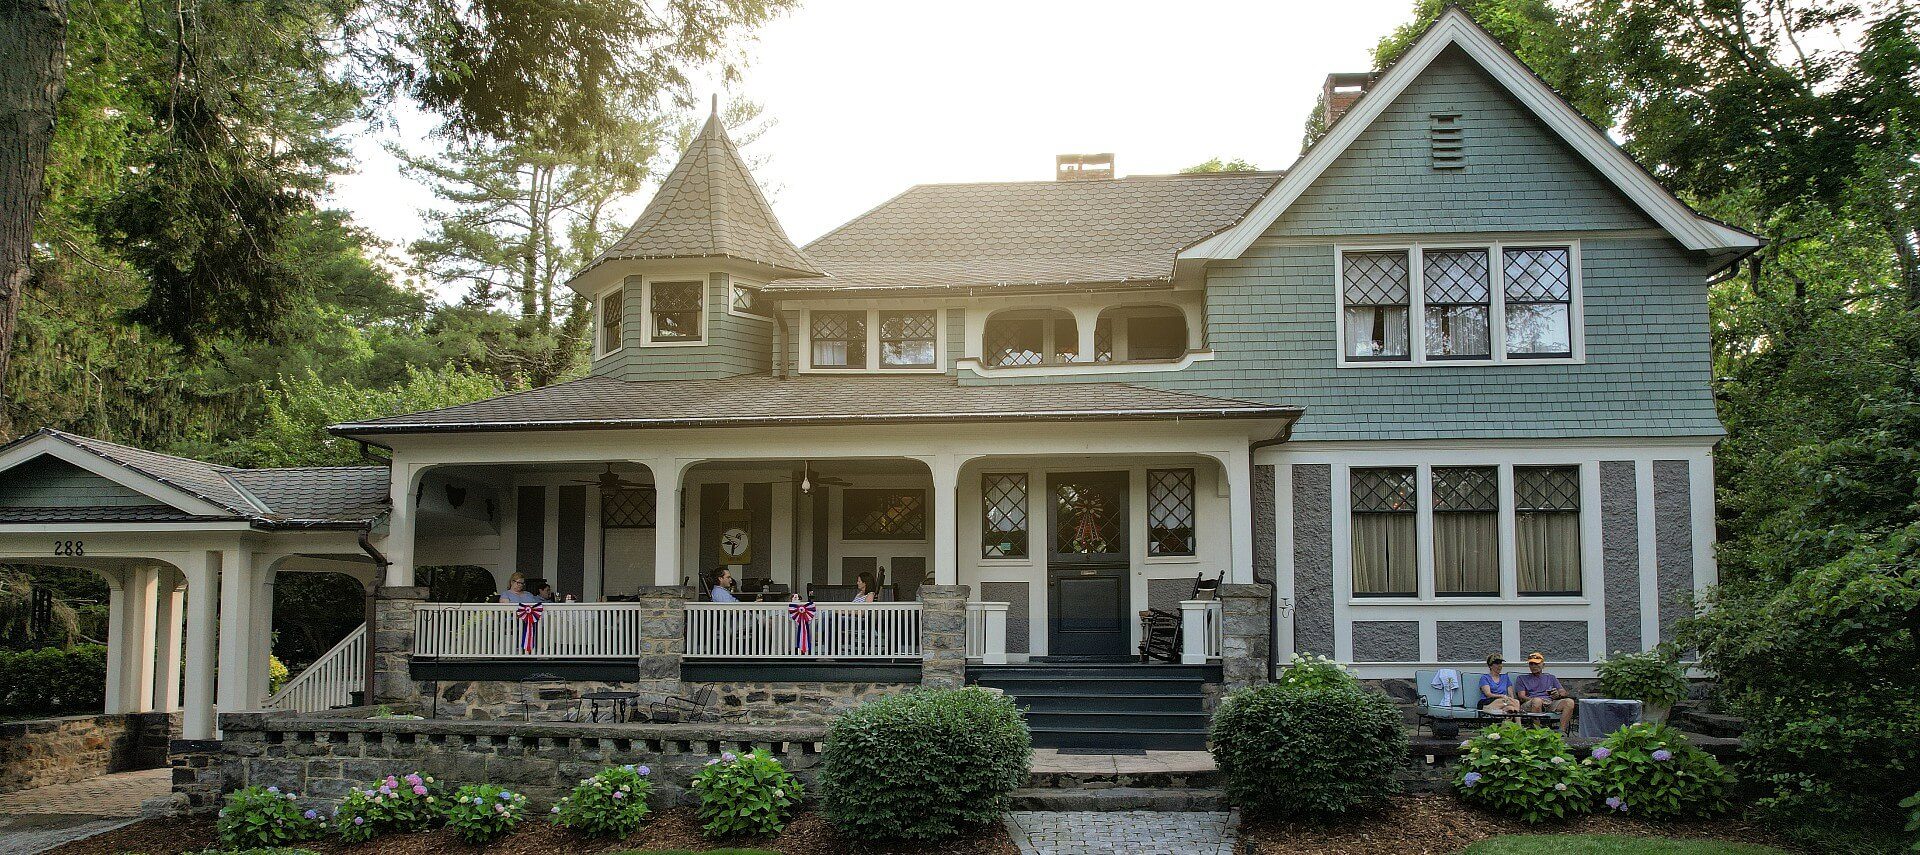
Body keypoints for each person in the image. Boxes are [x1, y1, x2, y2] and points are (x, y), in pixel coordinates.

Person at [1516, 652, 1577, 734]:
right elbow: (1521, 696)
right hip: (1530, 703)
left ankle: (1561, 733)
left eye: (1536, 664)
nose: (1534, 666)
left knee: (1569, 702)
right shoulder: (1522, 678)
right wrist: (1538, 700)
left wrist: (1557, 694)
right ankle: (1537, 733)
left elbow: (1563, 692)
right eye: (1531, 664)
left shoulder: (1550, 677)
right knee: (1537, 701)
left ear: (1543, 665)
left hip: (1549, 702)